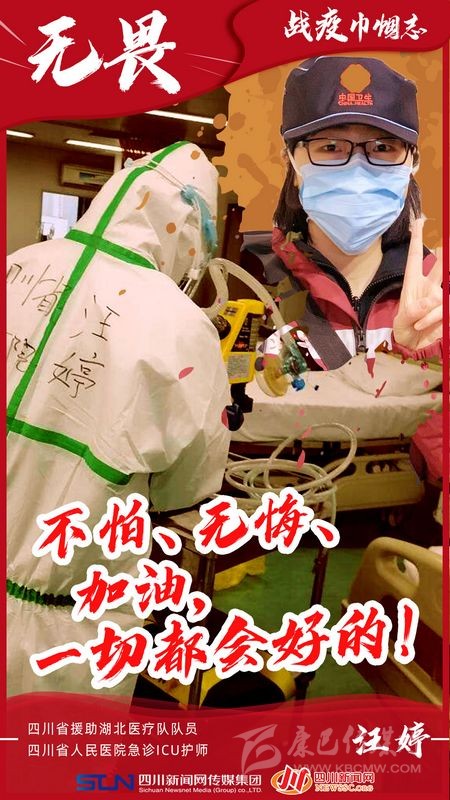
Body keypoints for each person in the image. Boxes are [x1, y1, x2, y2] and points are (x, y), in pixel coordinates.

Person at [6, 141, 231, 697]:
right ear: (190, 233)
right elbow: (186, 490)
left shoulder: (16, 266)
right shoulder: (183, 326)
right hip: (66, 627)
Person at [266, 55, 443, 371]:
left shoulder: (438, 299)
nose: (357, 169)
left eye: (383, 148)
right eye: (330, 147)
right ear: (290, 161)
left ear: (411, 163)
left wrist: (422, 358)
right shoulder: (251, 286)